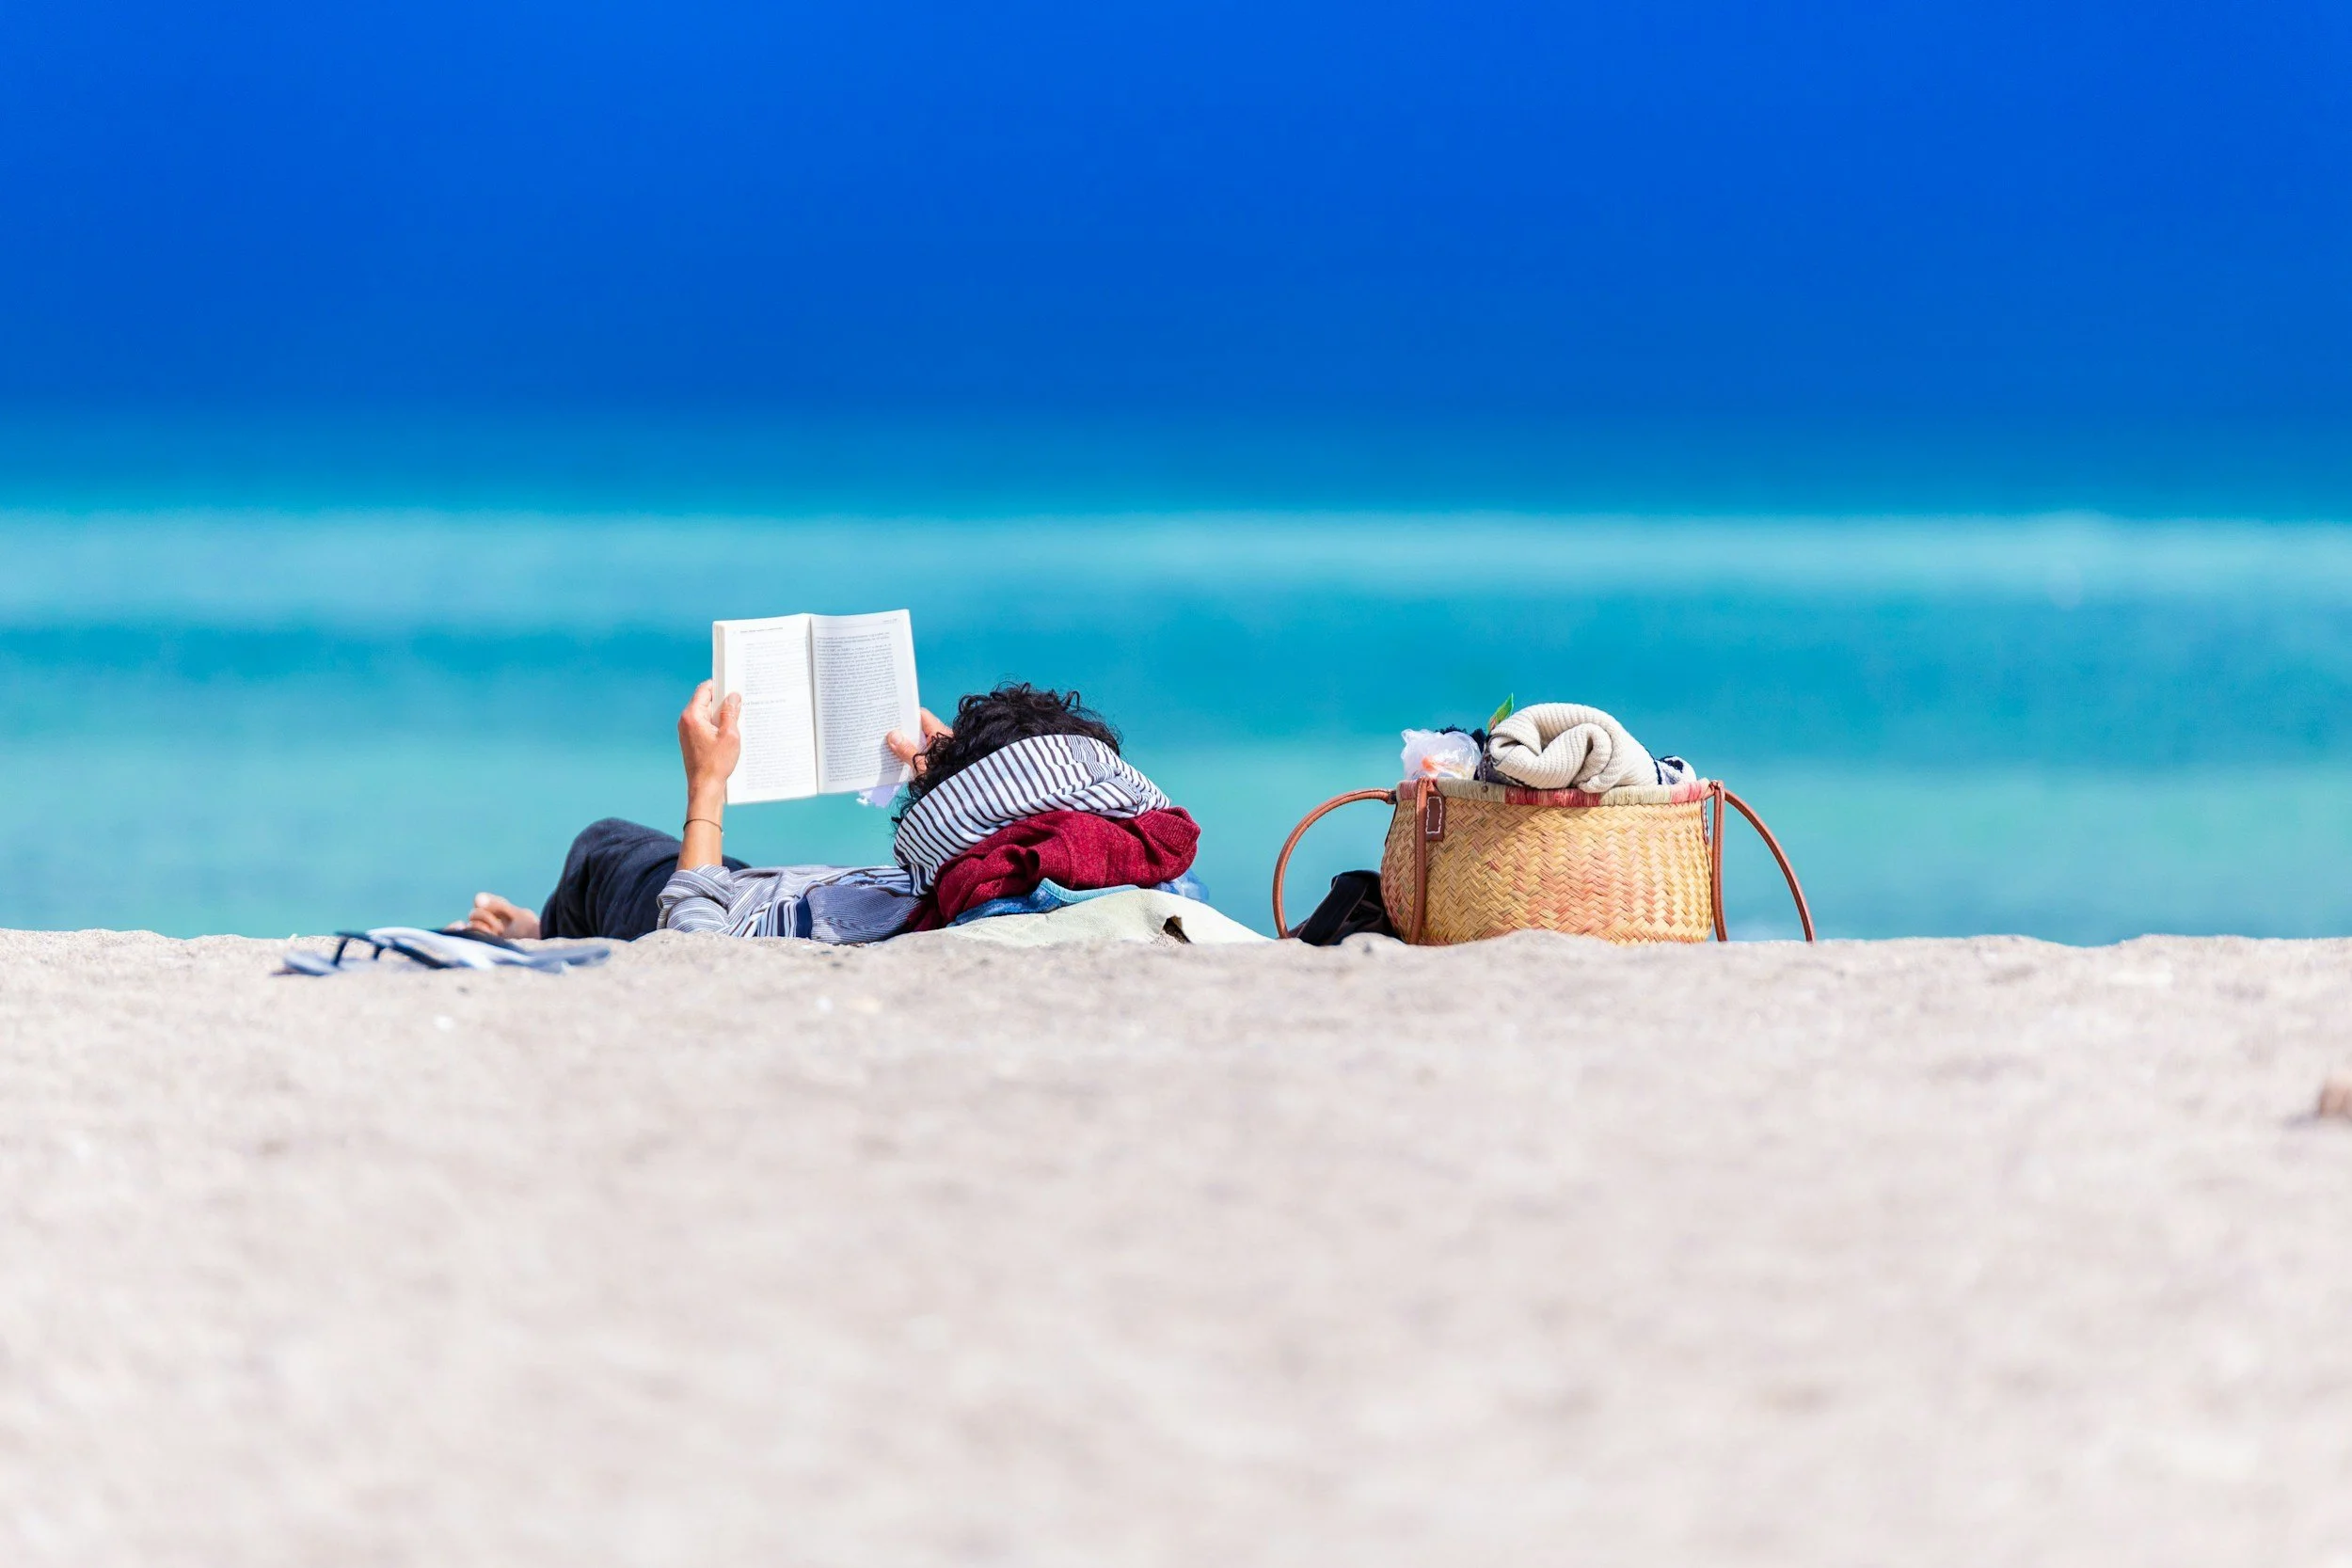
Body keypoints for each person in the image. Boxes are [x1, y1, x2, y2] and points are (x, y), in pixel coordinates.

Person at [464, 680, 1200, 943]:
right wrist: (956, 764)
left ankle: (544, 933)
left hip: (746, 912)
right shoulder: (1129, 861)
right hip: (821, 894)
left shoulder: (977, 895)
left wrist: (707, 787)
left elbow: (692, 948)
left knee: (605, 847)